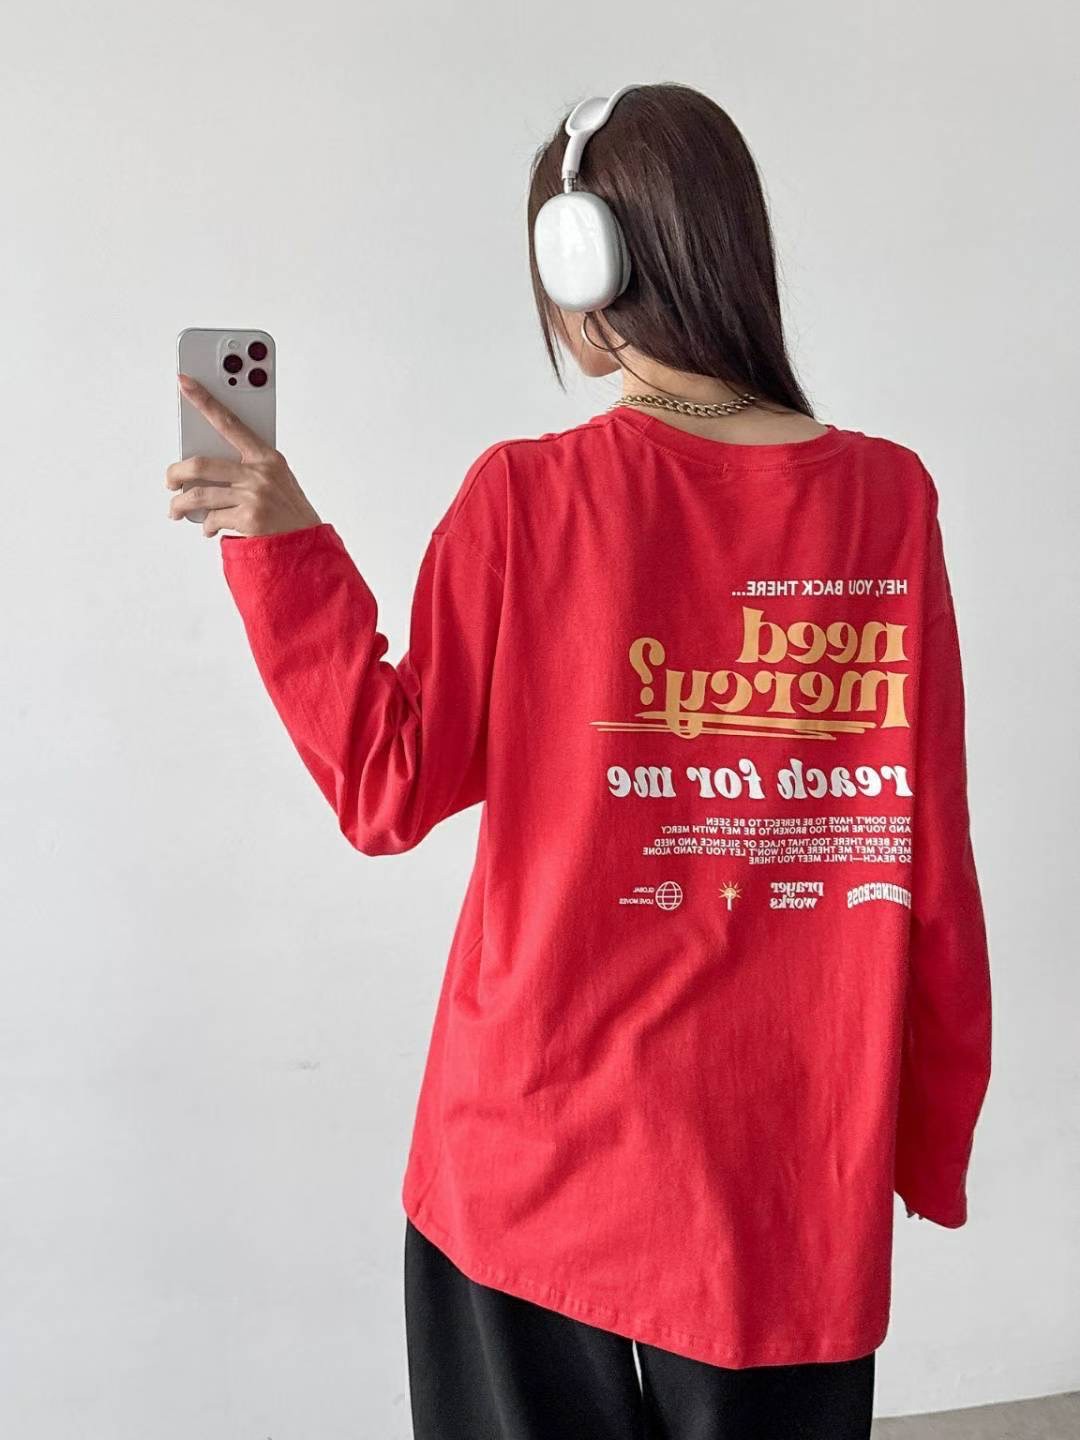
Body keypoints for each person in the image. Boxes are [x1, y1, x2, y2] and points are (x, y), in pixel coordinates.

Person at [165, 82, 992, 1440]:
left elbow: (387, 786)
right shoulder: (888, 500)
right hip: (790, 1165)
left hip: (534, 1145)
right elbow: (924, 841)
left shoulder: (529, 498)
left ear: (581, 269)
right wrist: (930, 1122)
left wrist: (280, 543)